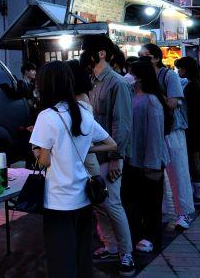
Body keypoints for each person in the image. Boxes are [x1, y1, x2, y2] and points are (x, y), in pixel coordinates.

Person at [29, 61, 117, 278]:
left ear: (46, 85)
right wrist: (86, 148)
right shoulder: (83, 113)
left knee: (61, 262)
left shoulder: (47, 116)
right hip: (83, 199)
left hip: (58, 201)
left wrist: (36, 149)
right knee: (82, 257)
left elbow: (44, 162)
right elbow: (112, 144)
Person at [80, 35, 135, 276]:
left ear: (101, 53)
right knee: (99, 204)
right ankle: (110, 245)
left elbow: (121, 124)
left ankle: (126, 253)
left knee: (112, 204)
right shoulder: (91, 80)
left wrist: (116, 156)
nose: (82, 54)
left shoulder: (117, 83)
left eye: (85, 50)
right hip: (93, 155)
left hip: (108, 155)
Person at [139, 44, 194, 231]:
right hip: (152, 131)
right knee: (154, 172)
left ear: (155, 58)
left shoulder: (169, 75)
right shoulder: (140, 78)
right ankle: (160, 212)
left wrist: (154, 92)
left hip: (172, 129)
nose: (141, 59)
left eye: (144, 56)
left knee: (178, 171)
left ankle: (183, 213)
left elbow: (173, 103)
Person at [122, 60, 169, 254]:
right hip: (132, 159)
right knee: (134, 201)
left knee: (151, 202)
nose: (128, 76)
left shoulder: (151, 100)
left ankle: (150, 237)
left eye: (131, 73)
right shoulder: (132, 96)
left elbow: (155, 135)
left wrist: (152, 162)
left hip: (148, 161)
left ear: (140, 76)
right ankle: (138, 234)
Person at [175, 56, 200, 205]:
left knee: (192, 161)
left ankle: (198, 194)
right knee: (194, 161)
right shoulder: (199, 84)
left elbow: (188, 109)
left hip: (191, 129)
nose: (178, 71)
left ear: (186, 69)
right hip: (197, 127)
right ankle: (198, 193)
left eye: (180, 68)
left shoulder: (191, 86)